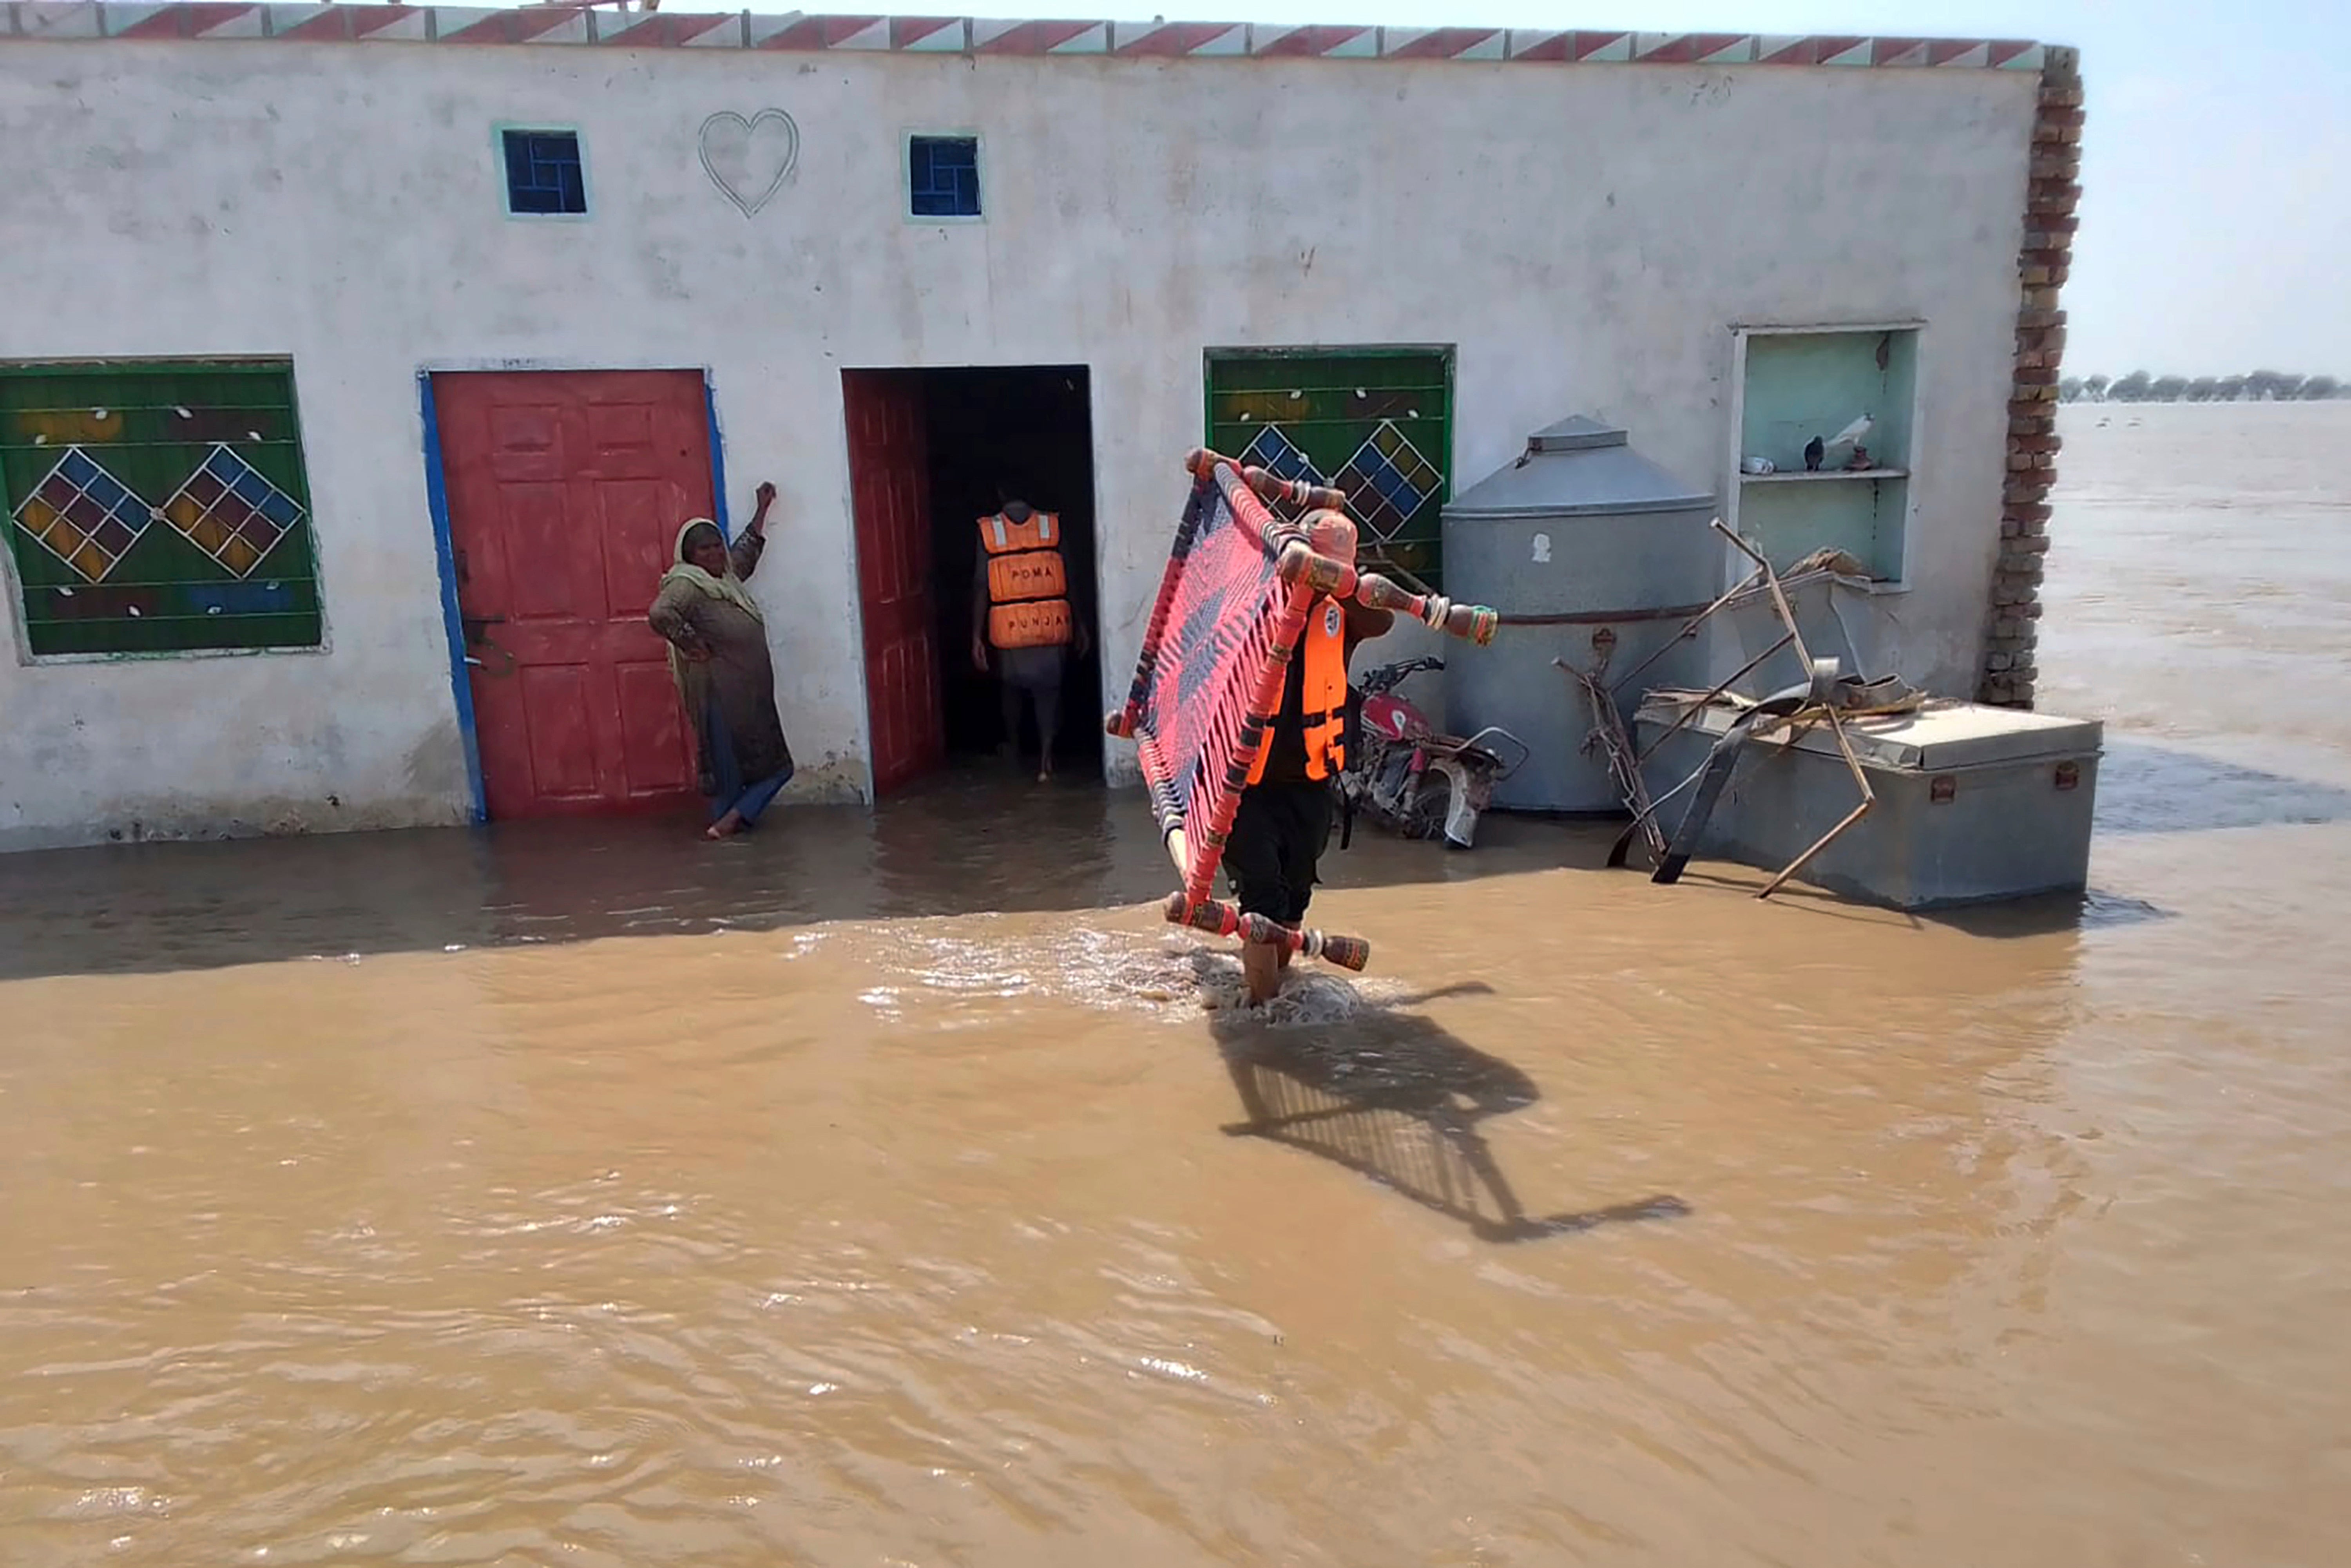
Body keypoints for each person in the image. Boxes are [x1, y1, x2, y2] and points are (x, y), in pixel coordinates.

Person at [1226, 592, 1393, 1005]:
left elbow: (1382, 623)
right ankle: (1262, 1014)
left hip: (1310, 786)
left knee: (1294, 898)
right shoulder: (1252, 609)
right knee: (1261, 900)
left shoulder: (1341, 617)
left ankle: (1278, 996)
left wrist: (1337, 585)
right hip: (1247, 789)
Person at [647, 483, 794, 840]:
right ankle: (728, 827)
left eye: (716, 546)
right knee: (750, 771)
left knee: (753, 767)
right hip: (720, 695)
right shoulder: (688, 584)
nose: (714, 553)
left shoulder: (725, 579)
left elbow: (744, 553)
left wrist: (762, 510)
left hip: (747, 695)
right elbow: (660, 613)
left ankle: (731, 843)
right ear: (690, 555)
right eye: (705, 549)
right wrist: (692, 644)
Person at [971, 488, 1090, 783]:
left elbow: (981, 586)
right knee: (1049, 693)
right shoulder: (1051, 525)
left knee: (1011, 690)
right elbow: (1070, 578)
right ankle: (1046, 760)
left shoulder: (991, 531)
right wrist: (1081, 624)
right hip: (1050, 625)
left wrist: (976, 636)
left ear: (1000, 494)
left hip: (1011, 627)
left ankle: (1014, 747)